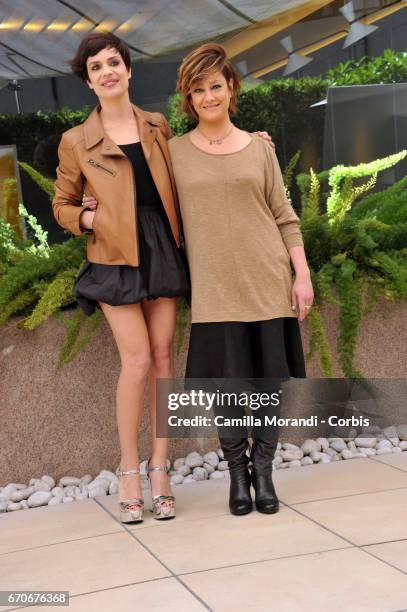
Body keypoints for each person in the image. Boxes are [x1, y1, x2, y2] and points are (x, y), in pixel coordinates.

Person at [168, 43, 314, 516]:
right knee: (228, 389)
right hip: (213, 292)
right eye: (198, 90)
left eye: (216, 85)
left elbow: (284, 215)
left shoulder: (259, 148)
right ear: (188, 99)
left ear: (231, 88)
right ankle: (237, 474)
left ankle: (265, 472)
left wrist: (302, 275)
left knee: (267, 386)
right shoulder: (172, 154)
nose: (208, 96)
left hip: (267, 282)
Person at [52, 32, 191, 523]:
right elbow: (62, 204)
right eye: (96, 67)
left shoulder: (158, 126)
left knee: (162, 356)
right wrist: (88, 220)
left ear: (129, 72)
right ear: (89, 81)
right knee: (135, 360)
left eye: (114, 62)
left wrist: (247, 145)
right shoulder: (76, 141)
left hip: (162, 247)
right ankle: (129, 470)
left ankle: (161, 467)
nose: (107, 71)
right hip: (113, 254)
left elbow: (190, 170)